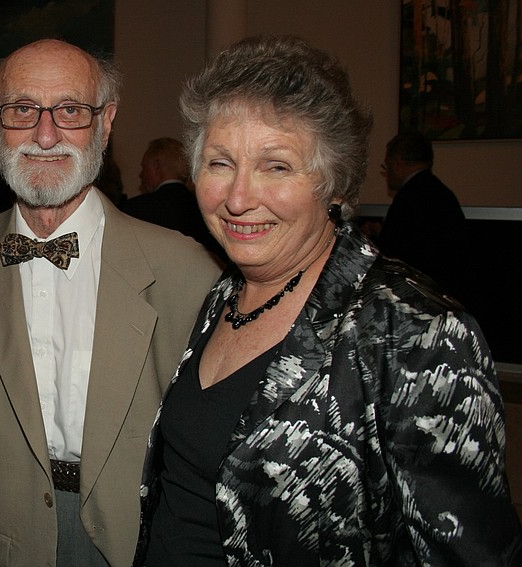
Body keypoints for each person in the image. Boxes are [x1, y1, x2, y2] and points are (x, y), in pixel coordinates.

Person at [135, 35, 522, 565]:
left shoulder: (416, 334)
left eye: (277, 166)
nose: (239, 198)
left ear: (334, 183)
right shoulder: (227, 290)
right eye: (221, 163)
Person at [0, 39, 222, 567]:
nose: (45, 134)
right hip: (3, 542)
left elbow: (206, 460)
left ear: (106, 122)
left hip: (141, 542)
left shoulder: (186, 270)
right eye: (22, 109)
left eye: (70, 110)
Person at [378, 131, 467, 300]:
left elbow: (392, 255)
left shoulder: (406, 199)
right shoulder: (442, 194)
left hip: (420, 295)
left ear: (396, 163)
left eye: (386, 166)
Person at [123, 137, 223, 261]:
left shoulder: (133, 212)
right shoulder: (209, 210)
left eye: (143, 167)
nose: (140, 174)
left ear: (156, 166)